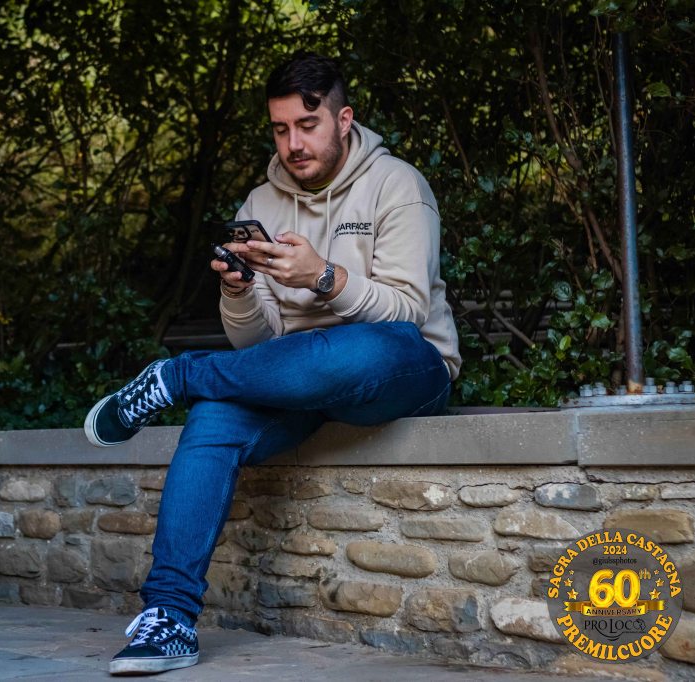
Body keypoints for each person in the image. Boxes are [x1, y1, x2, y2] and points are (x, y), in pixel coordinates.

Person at [84, 50, 461, 676]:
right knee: (212, 418)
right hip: (293, 376)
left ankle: (177, 376)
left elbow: (406, 312)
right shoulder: (261, 199)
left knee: (361, 346)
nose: (293, 144)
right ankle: (169, 617)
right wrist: (237, 292)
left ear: (343, 120)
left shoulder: (398, 185)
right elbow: (258, 341)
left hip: (400, 366)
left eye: (307, 126)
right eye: (281, 129)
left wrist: (322, 277)